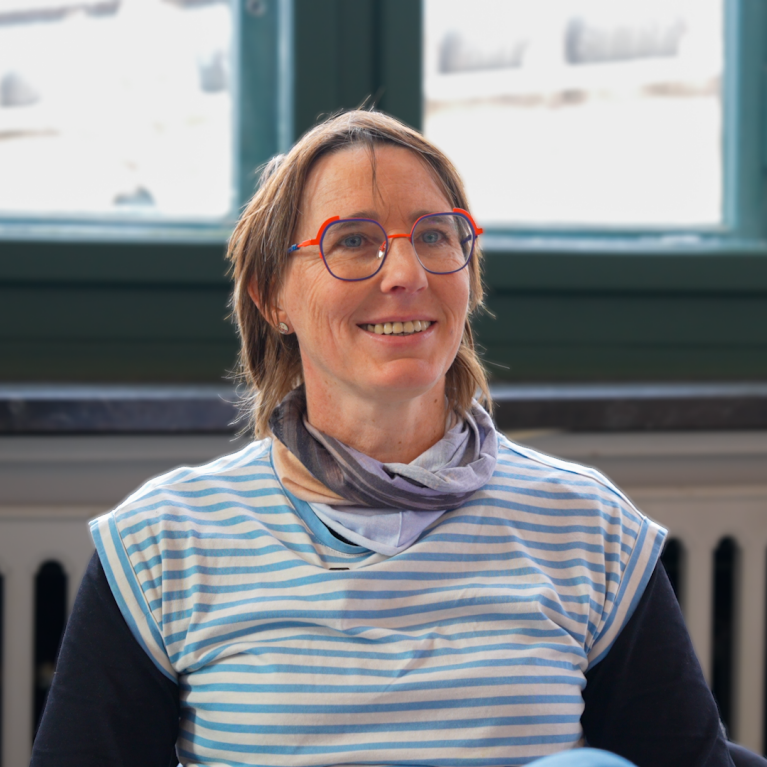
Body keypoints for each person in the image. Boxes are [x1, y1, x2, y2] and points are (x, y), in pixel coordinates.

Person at [31, 110, 747, 767]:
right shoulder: (162, 543)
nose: (405, 273)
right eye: (352, 241)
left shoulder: (589, 526)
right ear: (270, 293)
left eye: (435, 235)